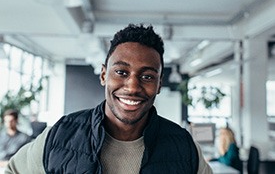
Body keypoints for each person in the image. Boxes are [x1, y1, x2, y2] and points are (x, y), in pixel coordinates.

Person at [5, 24, 213, 173]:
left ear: (159, 84)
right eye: (122, 72)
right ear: (104, 75)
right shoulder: (60, 135)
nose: (132, 87)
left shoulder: (183, 147)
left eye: (147, 76)